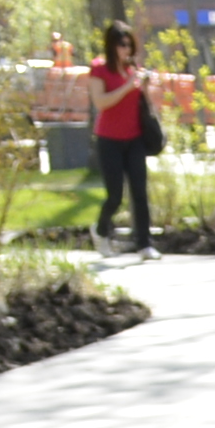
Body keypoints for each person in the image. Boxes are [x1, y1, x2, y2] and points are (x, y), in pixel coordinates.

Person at [84, 24, 155, 259]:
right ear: (111, 46)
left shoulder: (133, 69)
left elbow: (143, 102)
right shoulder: (99, 69)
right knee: (115, 195)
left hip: (134, 138)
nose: (127, 50)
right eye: (122, 45)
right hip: (109, 139)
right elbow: (101, 102)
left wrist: (144, 86)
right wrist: (126, 87)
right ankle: (101, 230)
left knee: (140, 192)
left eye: (130, 45)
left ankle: (144, 243)